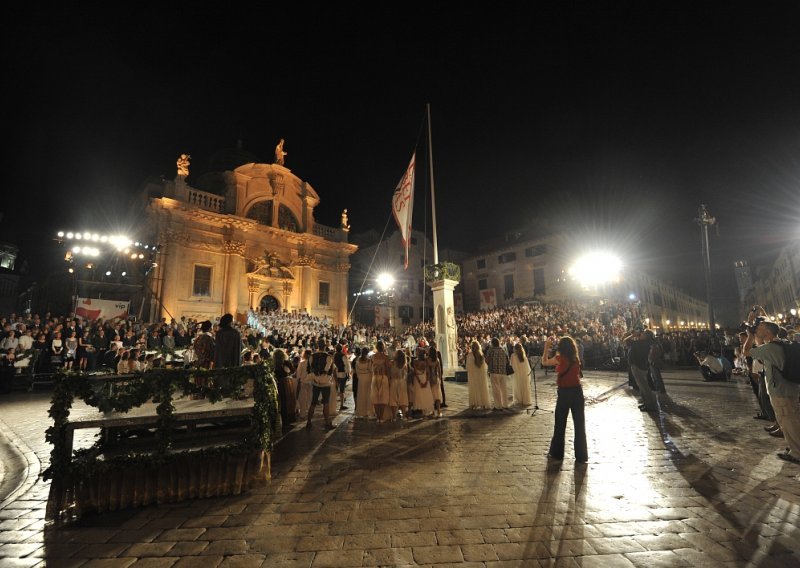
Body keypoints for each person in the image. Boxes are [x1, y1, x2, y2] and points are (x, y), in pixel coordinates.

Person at [743, 308, 800, 465]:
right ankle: (793, 447)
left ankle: (797, 453)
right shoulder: (778, 344)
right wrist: (755, 328)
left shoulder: (770, 348)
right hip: (787, 389)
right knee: (788, 421)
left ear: (767, 330)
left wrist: (749, 336)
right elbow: (761, 342)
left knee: (790, 422)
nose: (757, 329)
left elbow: (747, 351)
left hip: (781, 391)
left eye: (760, 327)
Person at [541, 336, 588, 464]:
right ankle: (581, 455)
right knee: (579, 425)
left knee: (560, 424)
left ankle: (557, 453)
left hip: (565, 393)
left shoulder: (559, 358)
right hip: (577, 392)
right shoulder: (576, 358)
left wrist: (546, 347)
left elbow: (544, 362)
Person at [623, 329, 659, 412]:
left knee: (644, 387)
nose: (641, 334)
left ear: (646, 336)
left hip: (637, 366)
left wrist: (633, 335)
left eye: (643, 334)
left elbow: (625, 340)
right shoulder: (645, 343)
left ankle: (650, 405)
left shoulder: (641, 343)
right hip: (641, 366)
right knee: (642, 386)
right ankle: (646, 403)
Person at [306, 340, 335, 431]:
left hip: (315, 381)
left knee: (313, 403)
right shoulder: (328, 357)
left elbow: (309, 369)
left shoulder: (312, 356)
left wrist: (315, 376)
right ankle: (327, 422)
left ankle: (309, 422)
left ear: (318, 346)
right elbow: (328, 369)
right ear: (325, 346)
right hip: (325, 382)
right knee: (326, 403)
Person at [485, 337, 510, 410]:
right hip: (503, 371)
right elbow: (507, 360)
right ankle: (505, 405)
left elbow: (487, 360)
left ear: (492, 343)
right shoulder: (503, 350)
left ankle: (498, 406)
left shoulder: (491, 350)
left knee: (496, 389)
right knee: (504, 389)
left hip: (494, 371)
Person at [466, 340, 491, 410]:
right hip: (480, 376)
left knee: (474, 389)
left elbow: (468, 367)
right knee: (482, 389)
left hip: (473, 376)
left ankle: (474, 404)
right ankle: (483, 404)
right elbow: (485, 367)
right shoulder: (481, 355)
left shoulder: (469, 355)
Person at [371, 341, 391, 422]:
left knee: (375, 397)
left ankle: (378, 416)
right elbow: (388, 369)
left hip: (375, 377)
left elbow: (371, 368)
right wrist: (389, 379)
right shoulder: (386, 357)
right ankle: (381, 417)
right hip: (383, 378)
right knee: (383, 397)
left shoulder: (373, 357)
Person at [388, 349, 409, 420]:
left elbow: (389, 373)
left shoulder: (391, 363)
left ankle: (394, 417)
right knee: (403, 399)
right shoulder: (404, 364)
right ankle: (404, 416)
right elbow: (406, 374)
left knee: (393, 399)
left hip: (394, 381)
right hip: (402, 382)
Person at [354, 347, 374, 418]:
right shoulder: (369, 361)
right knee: (368, 394)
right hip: (368, 378)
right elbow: (371, 370)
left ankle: (361, 411)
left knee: (361, 394)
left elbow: (357, 371)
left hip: (361, 378)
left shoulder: (358, 360)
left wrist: (360, 375)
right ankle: (368, 411)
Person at [510, 342, 532, 406]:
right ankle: (525, 400)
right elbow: (528, 367)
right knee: (524, 387)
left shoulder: (513, 356)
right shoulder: (524, 356)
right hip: (524, 374)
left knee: (518, 387)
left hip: (517, 374)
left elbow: (511, 365)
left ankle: (519, 400)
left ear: (515, 349)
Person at [332, 343, 351, 411]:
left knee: (336, 388)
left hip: (336, 373)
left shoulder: (334, 355)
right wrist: (348, 373)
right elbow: (347, 365)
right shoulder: (343, 355)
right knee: (342, 390)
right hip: (342, 373)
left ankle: (334, 404)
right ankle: (341, 405)